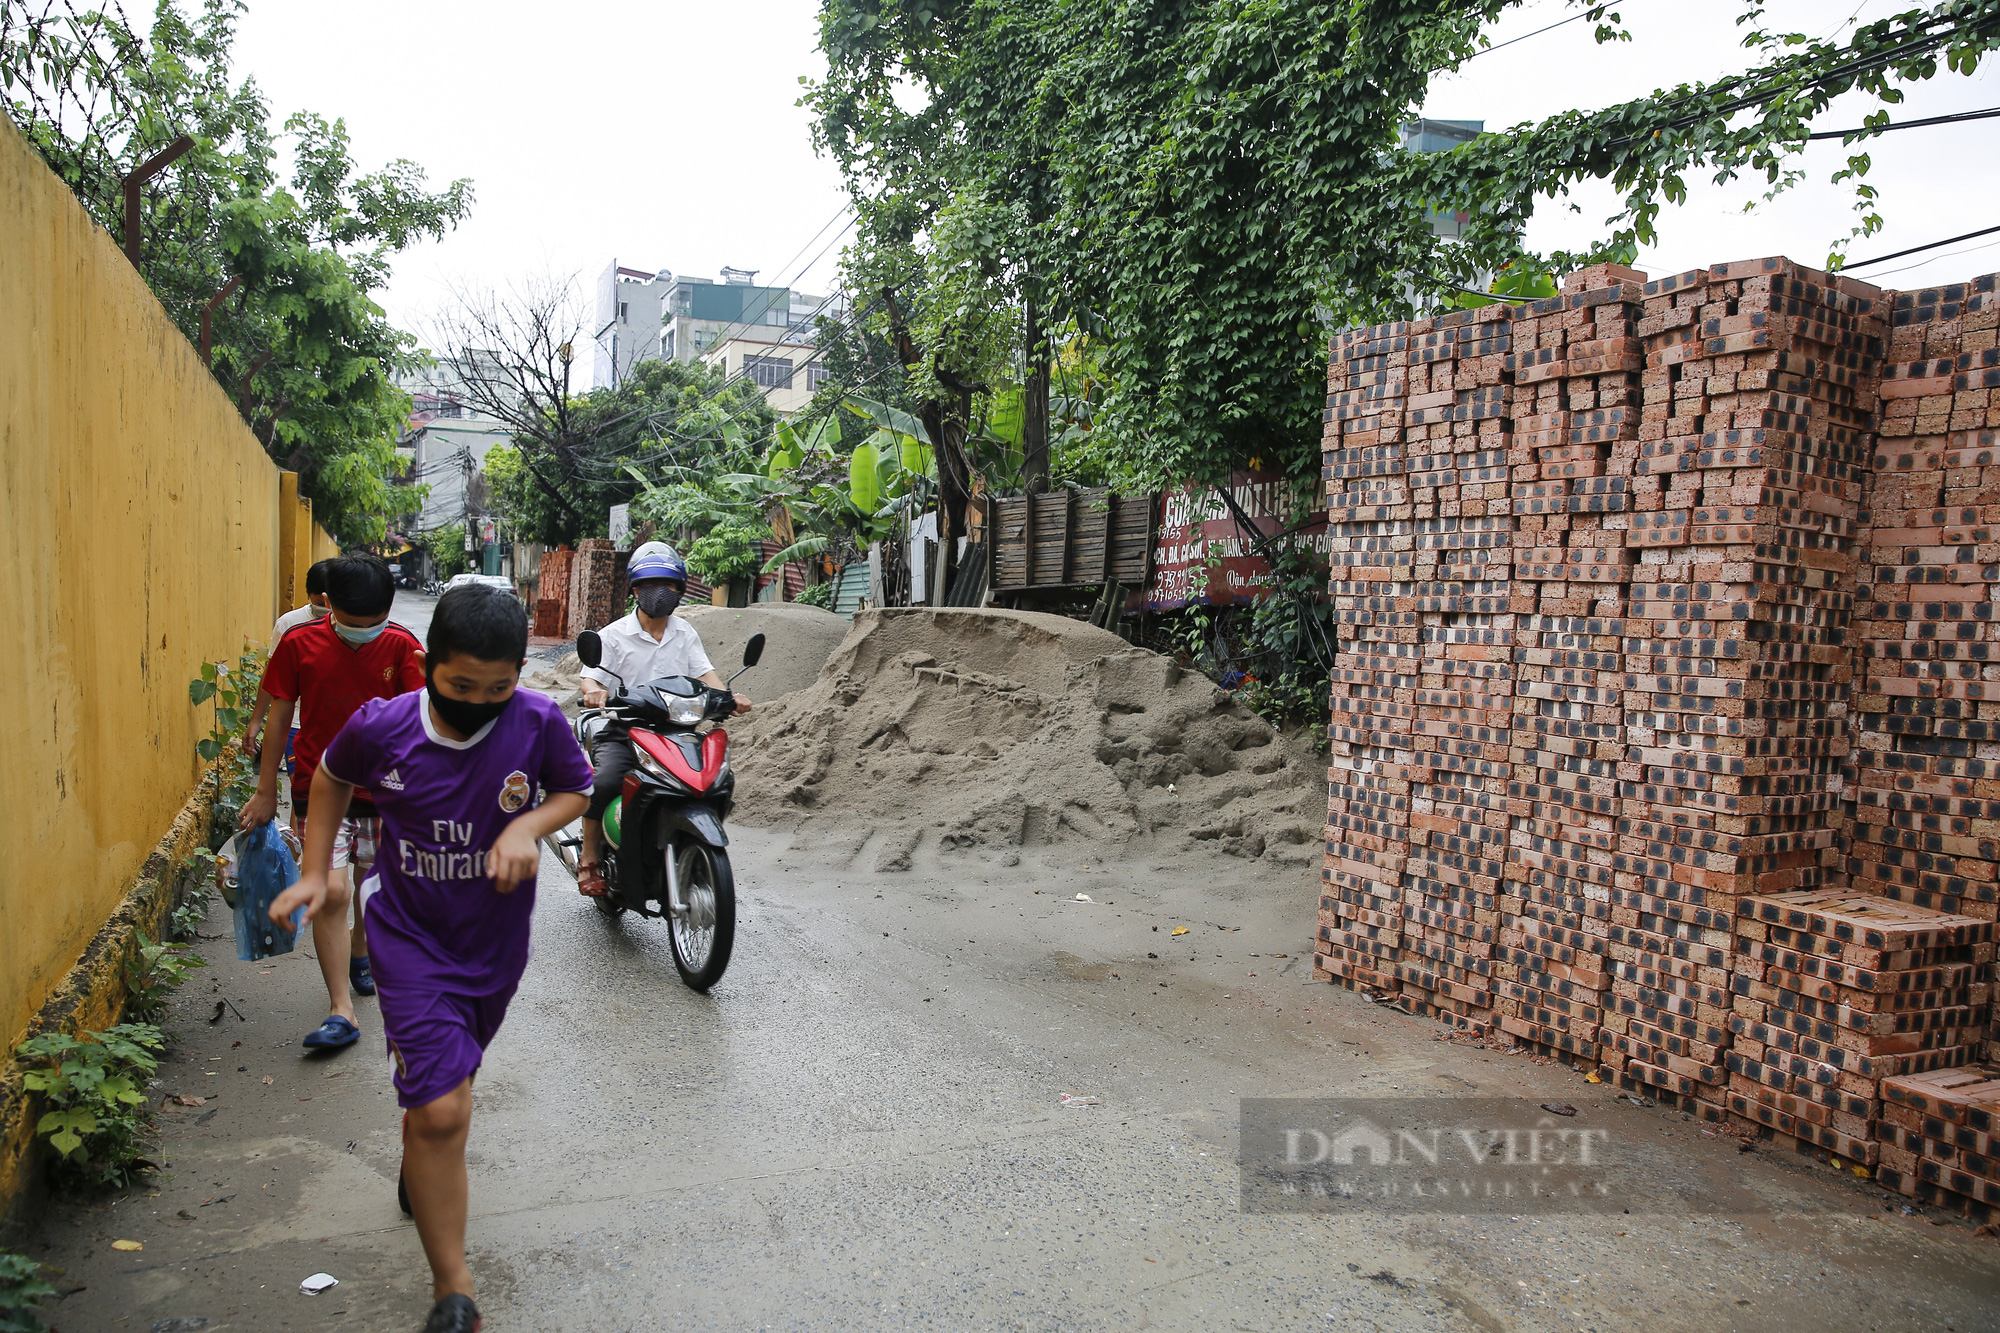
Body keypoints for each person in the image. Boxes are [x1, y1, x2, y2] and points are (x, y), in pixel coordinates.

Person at [267, 584, 592, 1333]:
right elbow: (329, 778)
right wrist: (317, 873)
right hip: (408, 939)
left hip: (495, 947)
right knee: (445, 1110)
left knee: (446, 1093)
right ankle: (455, 1293)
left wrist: (528, 828)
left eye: (498, 687)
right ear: (427, 664)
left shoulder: (537, 721)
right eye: (460, 686)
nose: (480, 701)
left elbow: (576, 788)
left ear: (519, 676)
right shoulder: (383, 727)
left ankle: (424, 1150)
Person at [241, 555, 425, 1047]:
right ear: (328, 606)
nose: (365, 632)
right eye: (353, 623)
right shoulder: (299, 644)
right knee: (332, 893)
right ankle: (341, 1010)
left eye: (374, 623)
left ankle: (360, 951)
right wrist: (265, 792)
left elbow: (422, 723)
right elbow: (280, 719)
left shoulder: (402, 645)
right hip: (317, 791)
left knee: (372, 890)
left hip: (387, 793)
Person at [575, 541, 751, 896]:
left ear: (680, 590)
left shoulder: (684, 633)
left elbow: (705, 675)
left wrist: (729, 697)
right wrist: (594, 690)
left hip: (677, 730)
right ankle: (589, 857)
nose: (660, 593)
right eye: (651, 585)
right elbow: (589, 676)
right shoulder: (614, 634)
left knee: (715, 780)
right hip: (625, 728)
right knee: (607, 780)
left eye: (668, 586)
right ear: (636, 590)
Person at [242, 558, 334, 763]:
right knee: (301, 789)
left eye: (331, 604)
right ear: (308, 594)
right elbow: (272, 674)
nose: (326, 608)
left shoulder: (349, 626)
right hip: (296, 723)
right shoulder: (289, 624)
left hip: (336, 725)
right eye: (320, 603)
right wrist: (256, 721)